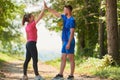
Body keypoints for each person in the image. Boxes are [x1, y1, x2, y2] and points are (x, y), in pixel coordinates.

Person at [44, 1, 75, 80]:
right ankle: (60, 75)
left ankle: (71, 76)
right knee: (63, 57)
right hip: (65, 41)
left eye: (65, 10)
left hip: (69, 41)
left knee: (71, 58)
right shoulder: (64, 17)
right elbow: (56, 13)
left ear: (68, 10)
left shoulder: (72, 20)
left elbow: (72, 32)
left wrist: (68, 43)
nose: (63, 11)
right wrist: (47, 8)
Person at [22, 3, 45, 80]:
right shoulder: (32, 24)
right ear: (29, 19)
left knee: (27, 60)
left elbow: (27, 37)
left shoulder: (27, 26)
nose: (33, 17)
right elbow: (40, 17)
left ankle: (24, 75)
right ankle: (37, 76)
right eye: (32, 16)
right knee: (35, 59)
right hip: (31, 44)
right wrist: (44, 8)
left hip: (28, 43)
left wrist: (30, 42)